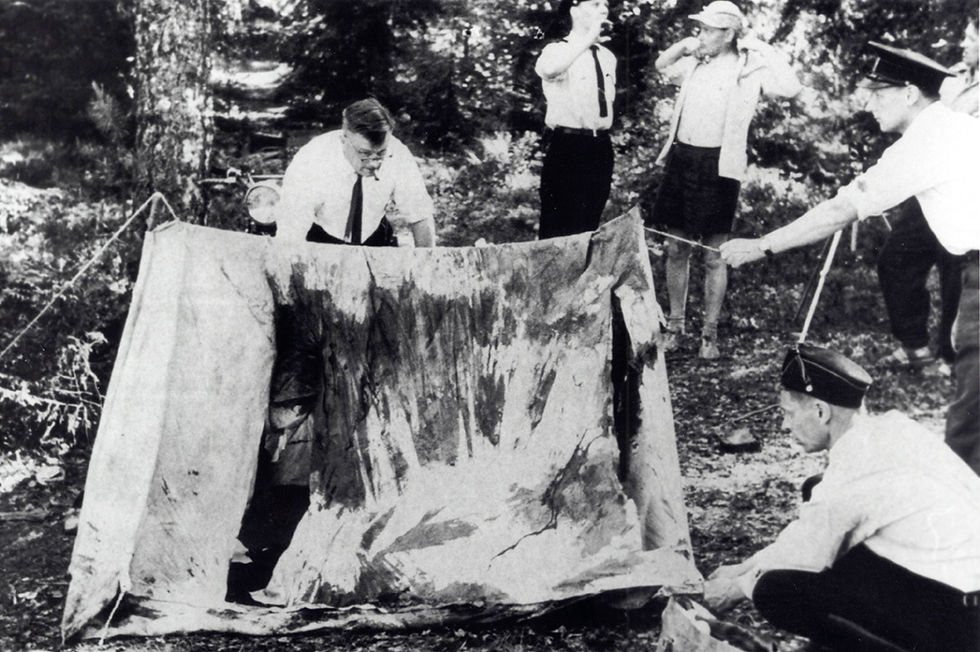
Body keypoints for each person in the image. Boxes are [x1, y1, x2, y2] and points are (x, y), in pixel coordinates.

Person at [720, 42, 980, 476]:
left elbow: (841, 210)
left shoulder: (926, 142)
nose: (867, 103)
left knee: (972, 418)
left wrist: (763, 244)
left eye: (879, 93)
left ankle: (959, 524)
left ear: (910, 94)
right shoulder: (956, 126)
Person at [704, 343, 980, 651]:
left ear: (821, 411)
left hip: (960, 618)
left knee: (773, 588)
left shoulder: (856, 467)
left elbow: (807, 552)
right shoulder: (890, 428)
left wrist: (737, 586)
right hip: (959, 582)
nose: (784, 425)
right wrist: (743, 566)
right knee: (815, 488)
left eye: (788, 413)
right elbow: (810, 531)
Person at [649, 1, 801, 359]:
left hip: (719, 164)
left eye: (707, 29)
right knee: (675, 247)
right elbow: (660, 65)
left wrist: (759, 46)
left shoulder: (749, 67)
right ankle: (676, 326)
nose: (699, 34)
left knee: (715, 254)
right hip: (682, 157)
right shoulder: (695, 62)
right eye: (699, 28)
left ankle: (709, 335)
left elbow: (791, 87)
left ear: (729, 33)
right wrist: (683, 46)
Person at [876, 22, 977, 372]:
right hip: (928, 187)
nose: (963, 43)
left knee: (957, 272)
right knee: (896, 258)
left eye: (971, 38)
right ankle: (914, 347)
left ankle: (952, 357)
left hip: (966, 193)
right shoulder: (953, 78)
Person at [275, 97, 436, 247]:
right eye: (364, 153)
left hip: (374, 238)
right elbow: (291, 231)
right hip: (322, 240)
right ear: (344, 139)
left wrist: (427, 269)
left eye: (381, 153)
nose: (374, 163)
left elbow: (420, 215)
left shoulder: (398, 153)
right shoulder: (311, 159)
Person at [535, 0, 616, 239]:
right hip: (567, 147)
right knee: (556, 228)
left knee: (588, 226)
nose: (603, 9)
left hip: (599, 147)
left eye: (606, 5)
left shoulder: (608, 56)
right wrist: (587, 40)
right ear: (574, 11)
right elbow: (550, 70)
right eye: (595, 4)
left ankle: (581, 277)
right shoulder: (558, 50)